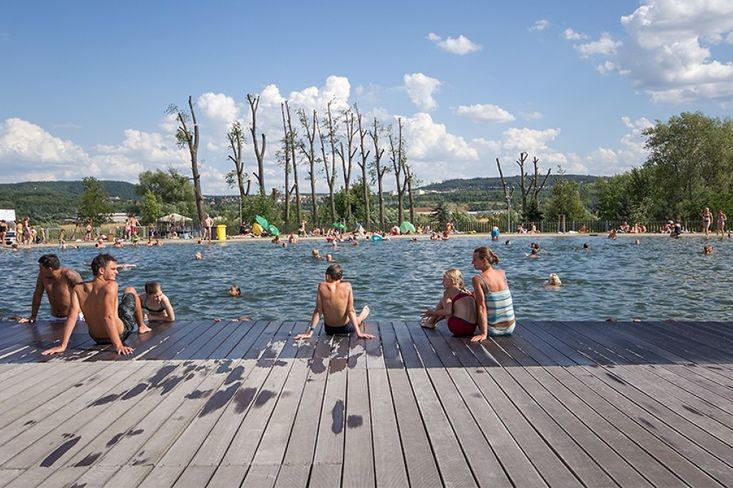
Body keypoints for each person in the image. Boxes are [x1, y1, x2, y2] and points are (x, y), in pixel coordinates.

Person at [41, 253, 151, 356]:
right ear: (102, 270)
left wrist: (62, 345)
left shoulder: (78, 288)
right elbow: (107, 316)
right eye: (113, 269)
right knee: (130, 290)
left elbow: (72, 316)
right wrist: (118, 345)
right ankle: (142, 326)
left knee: (113, 309)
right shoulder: (111, 285)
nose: (116, 272)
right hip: (120, 334)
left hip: (96, 337)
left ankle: (138, 325)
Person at [294, 264, 374, 340]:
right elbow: (350, 311)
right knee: (357, 318)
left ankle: (361, 316)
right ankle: (362, 316)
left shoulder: (322, 286)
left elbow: (318, 311)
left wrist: (309, 333)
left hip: (329, 330)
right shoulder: (347, 286)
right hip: (346, 328)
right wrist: (359, 333)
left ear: (327, 276)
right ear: (341, 277)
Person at [18, 254, 83, 324]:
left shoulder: (70, 275)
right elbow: (37, 295)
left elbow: (84, 294)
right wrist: (33, 317)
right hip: (54, 317)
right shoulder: (42, 276)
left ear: (49, 269)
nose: (39, 270)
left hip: (74, 317)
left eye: (41, 268)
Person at [471, 246, 516, 341]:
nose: (472, 262)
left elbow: (482, 307)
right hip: (511, 327)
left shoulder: (478, 279)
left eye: (474, 260)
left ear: (484, 261)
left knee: (468, 300)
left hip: (493, 330)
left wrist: (483, 334)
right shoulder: (502, 273)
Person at [421, 268, 477, 336]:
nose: (442, 283)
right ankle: (431, 322)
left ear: (452, 280)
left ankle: (430, 322)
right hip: (471, 328)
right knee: (450, 304)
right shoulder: (467, 292)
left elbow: (448, 312)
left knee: (444, 301)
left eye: (444, 280)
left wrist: (432, 313)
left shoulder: (448, 292)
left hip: (459, 328)